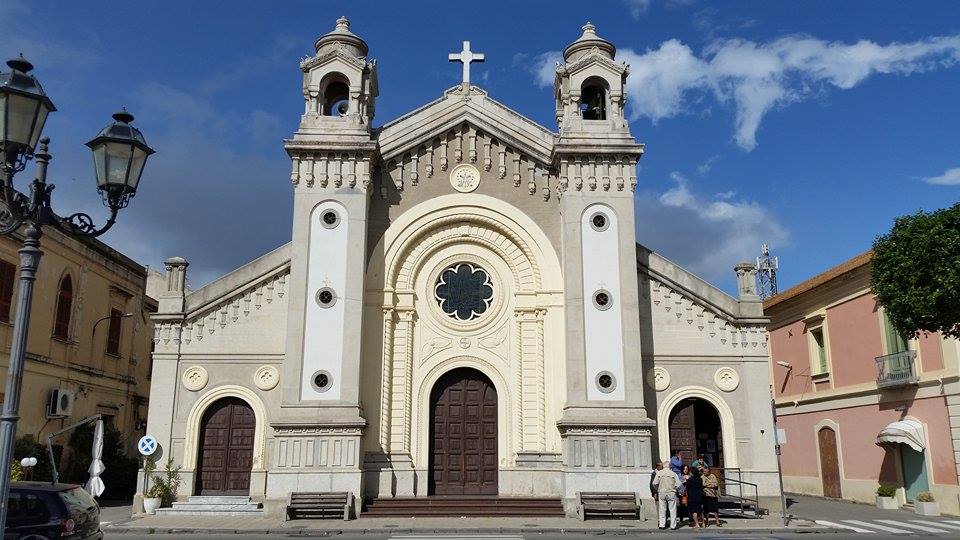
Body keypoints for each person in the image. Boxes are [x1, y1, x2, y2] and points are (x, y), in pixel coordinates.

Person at [653, 462, 680, 530]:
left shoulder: (659, 473)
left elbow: (654, 483)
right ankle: (673, 526)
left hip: (662, 492)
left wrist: (658, 489)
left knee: (662, 509)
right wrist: (675, 489)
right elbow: (678, 484)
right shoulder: (673, 473)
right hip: (671, 492)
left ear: (663, 466)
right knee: (672, 509)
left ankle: (662, 525)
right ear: (669, 466)